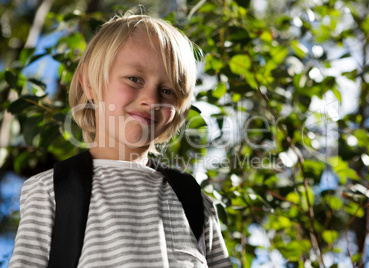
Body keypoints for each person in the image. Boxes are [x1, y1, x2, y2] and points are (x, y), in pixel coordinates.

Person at [9, 12, 232, 268]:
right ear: (90, 83)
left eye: (168, 90)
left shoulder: (192, 199)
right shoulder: (51, 190)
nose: (151, 98)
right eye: (135, 79)